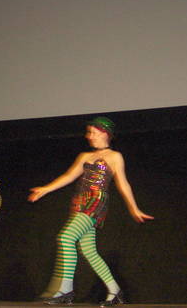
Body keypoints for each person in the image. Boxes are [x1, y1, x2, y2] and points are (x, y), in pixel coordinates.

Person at [28, 116, 153, 306]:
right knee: (89, 251)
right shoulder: (84, 156)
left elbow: (123, 184)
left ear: (105, 134)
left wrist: (133, 208)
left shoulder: (115, 156)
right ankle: (115, 291)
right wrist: (46, 189)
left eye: (93, 132)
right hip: (79, 203)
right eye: (89, 132)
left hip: (95, 202)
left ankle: (65, 290)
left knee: (66, 238)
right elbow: (69, 176)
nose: (89, 136)